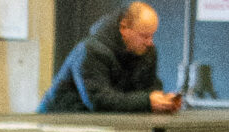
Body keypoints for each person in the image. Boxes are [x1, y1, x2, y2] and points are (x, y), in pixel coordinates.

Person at [41, 3, 181, 114]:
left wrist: (163, 102)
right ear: (124, 28)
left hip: (96, 123)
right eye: (144, 36)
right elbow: (99, 100)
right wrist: (147, 102)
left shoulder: (146, 51)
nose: (150, 42)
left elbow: (150, 88)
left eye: (152, 35)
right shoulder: (90, 50)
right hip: (59, 121)